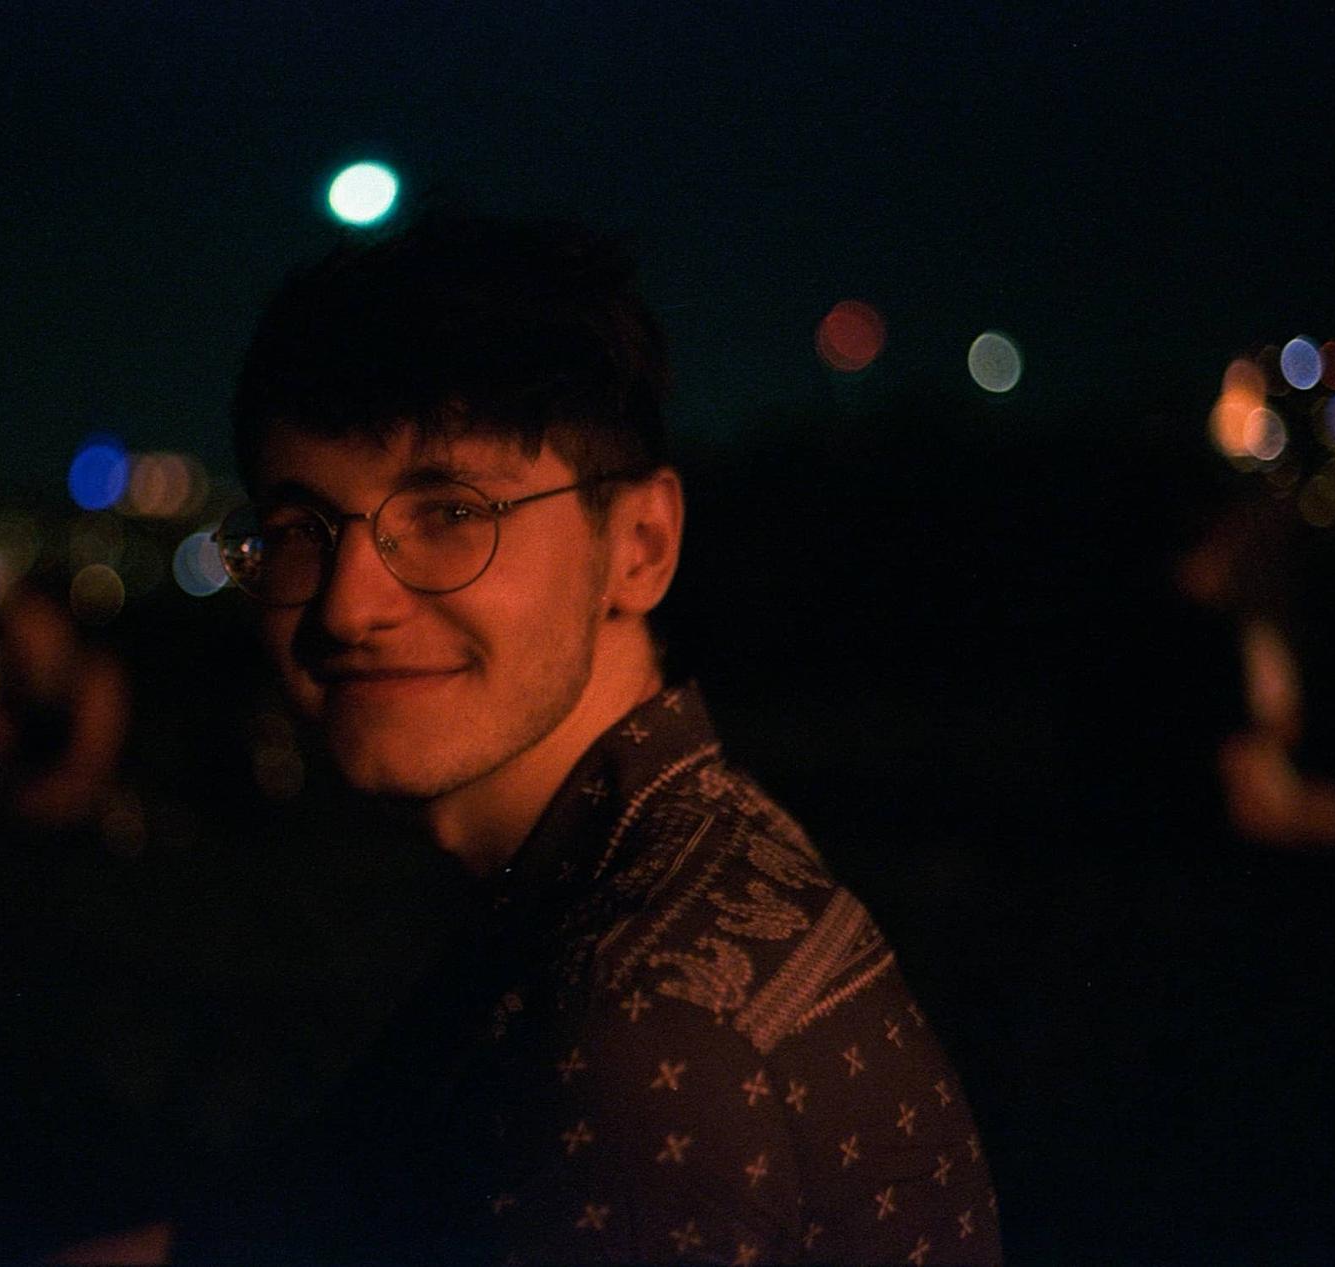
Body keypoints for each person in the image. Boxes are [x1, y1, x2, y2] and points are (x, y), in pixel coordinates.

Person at [76, 214, 1003, 1265]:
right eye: (301, 531)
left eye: (449, 514)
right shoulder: (632, 873)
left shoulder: (636, 1035)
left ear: (641, 548)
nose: (346, 606)